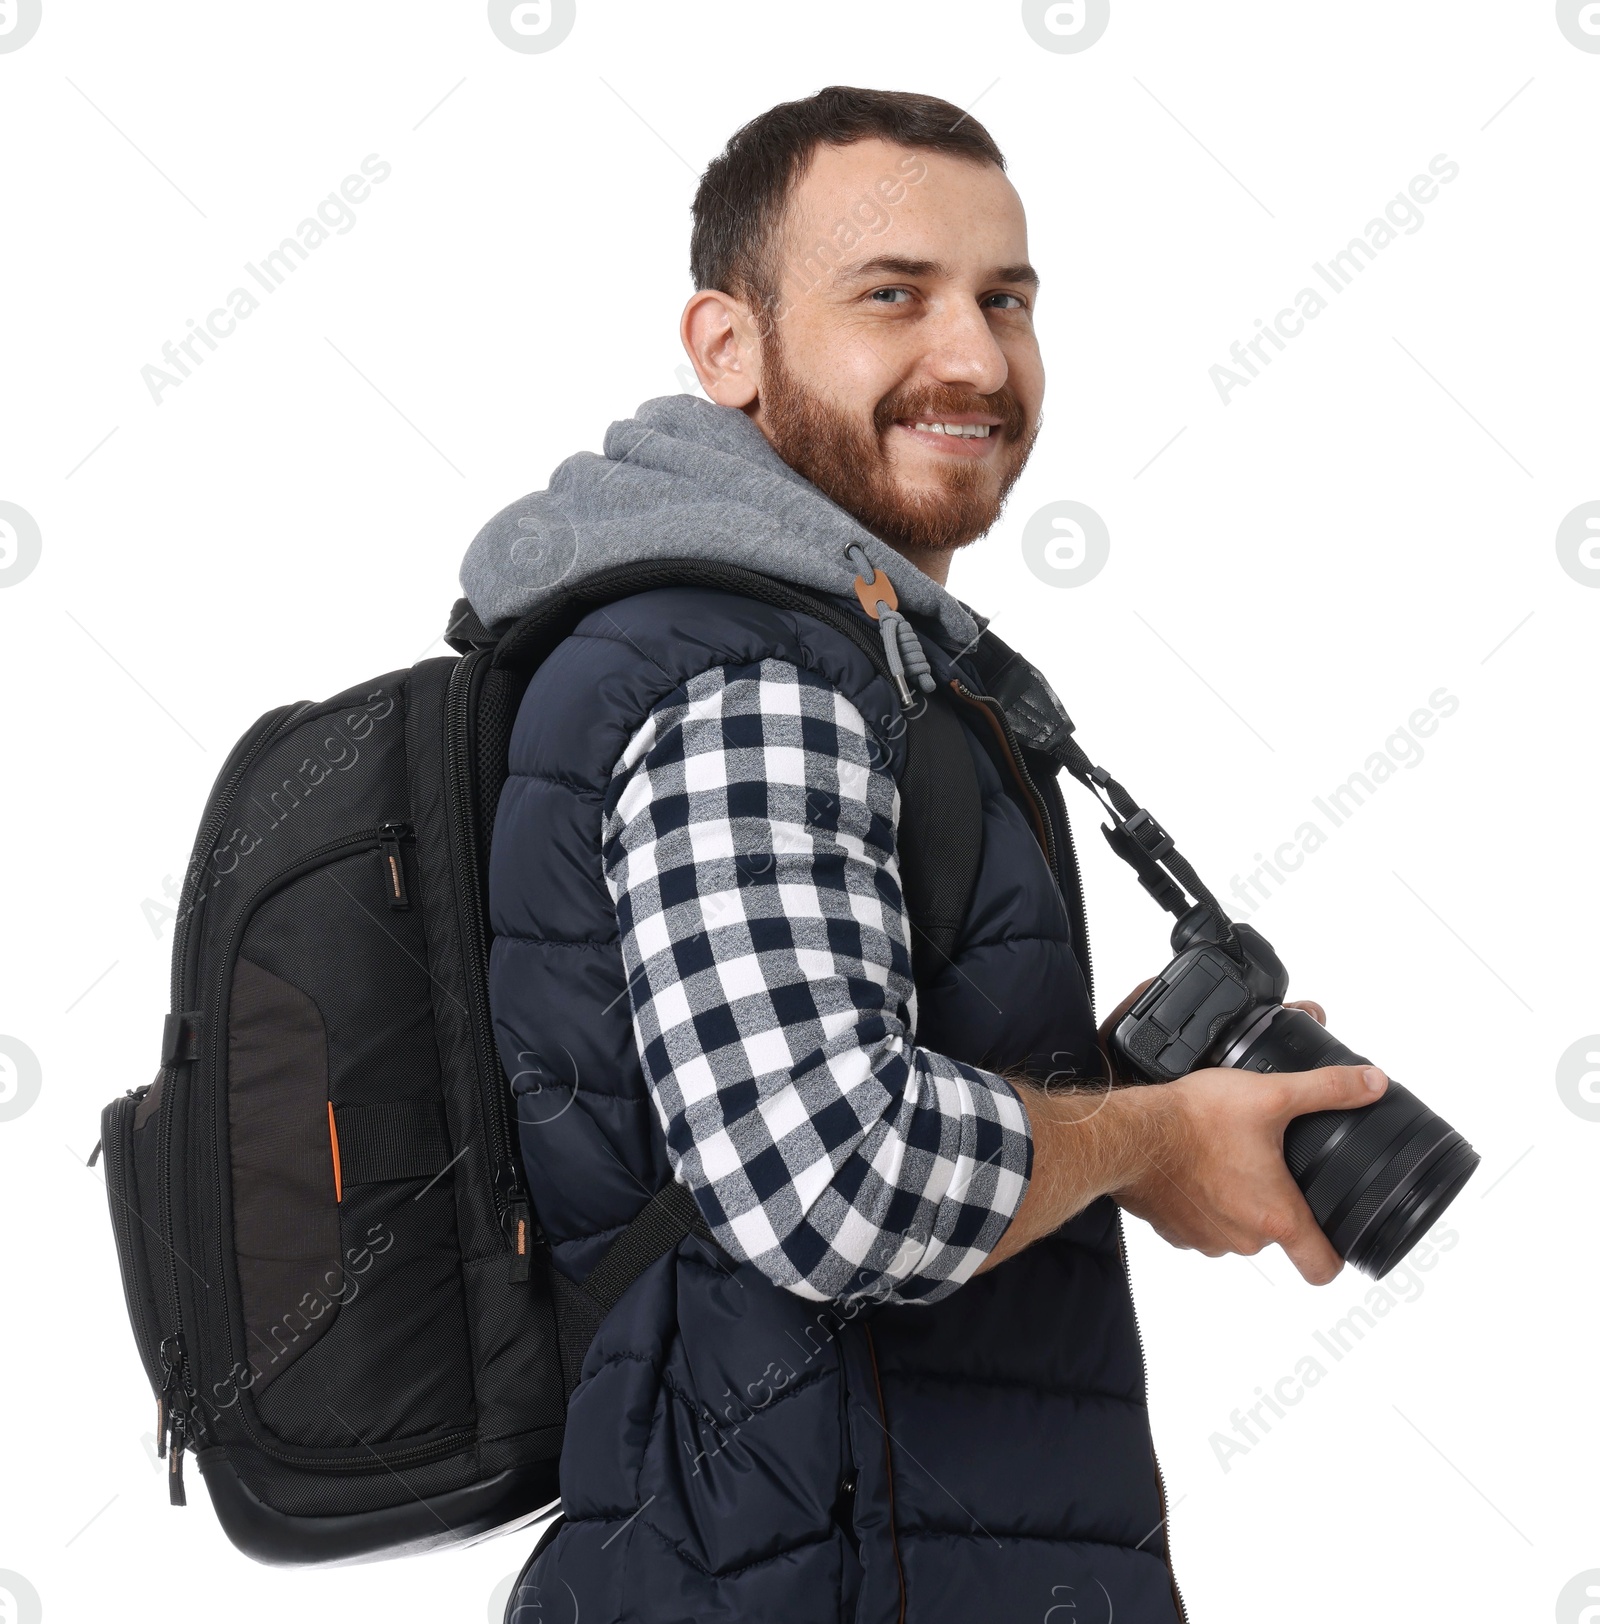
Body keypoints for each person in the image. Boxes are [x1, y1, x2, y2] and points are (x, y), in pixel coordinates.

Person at [462, 84, 1387, 1624]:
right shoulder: (747, 673)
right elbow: (833, 1180)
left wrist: (1109, 1101)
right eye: (893, 296)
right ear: (727, 347)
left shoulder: (840, 652)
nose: (974, 357)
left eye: (1005, 300)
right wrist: (1154, 1140)